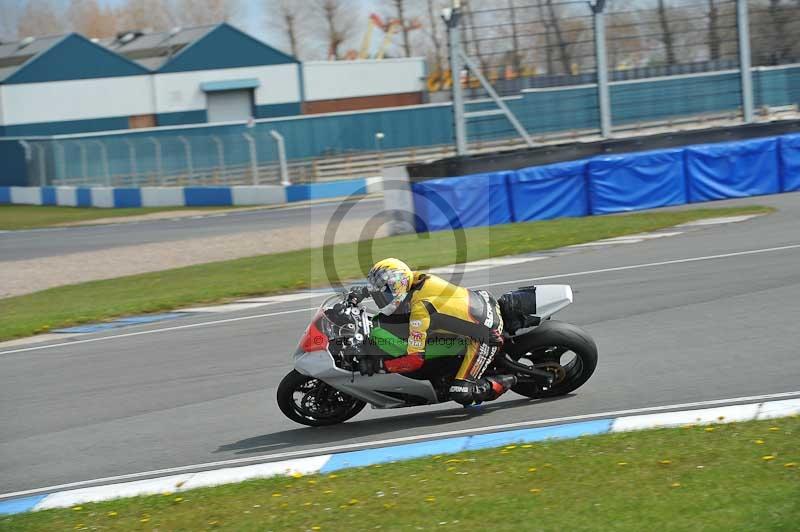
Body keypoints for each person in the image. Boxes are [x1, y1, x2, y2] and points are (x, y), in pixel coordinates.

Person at [363, 257, 516, 406]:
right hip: (482, 301)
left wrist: (382, 366)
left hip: (488, 335)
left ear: (399, 286)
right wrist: (362, 293)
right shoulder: (416, 278)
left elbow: (415, 360)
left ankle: (512, 378)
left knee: (461, 392)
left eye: (385, 293)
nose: (382, 298)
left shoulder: (420, 309)